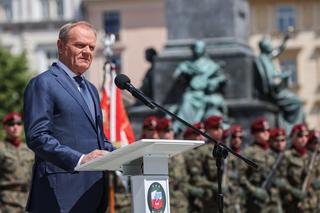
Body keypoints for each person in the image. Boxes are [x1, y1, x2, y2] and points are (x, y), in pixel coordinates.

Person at [23, 21, 114, 213]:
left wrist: (123, 154)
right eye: (80, 45)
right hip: (59, 194)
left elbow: (98, 138)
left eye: (91, 47)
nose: (87, 52)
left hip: (94, 192)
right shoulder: (44, 83)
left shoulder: (90, 89)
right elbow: (37, 137)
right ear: (61, 46)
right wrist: (79, 159)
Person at [0, 112, 34, 213]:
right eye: (11, 124)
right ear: (4, 127)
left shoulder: (29, 149)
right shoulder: (1, 148)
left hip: (28, 202)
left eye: (18, 124)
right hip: (7, 203)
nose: (15, 127)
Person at [240, 117, 274, 212]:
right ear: (254, 133)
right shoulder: (248, 152)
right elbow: (241, 176)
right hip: (254, 200)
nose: (266, 133)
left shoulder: (271, 152)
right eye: (263, 131)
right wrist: (254, 190)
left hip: (271, 200)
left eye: (268, 130)